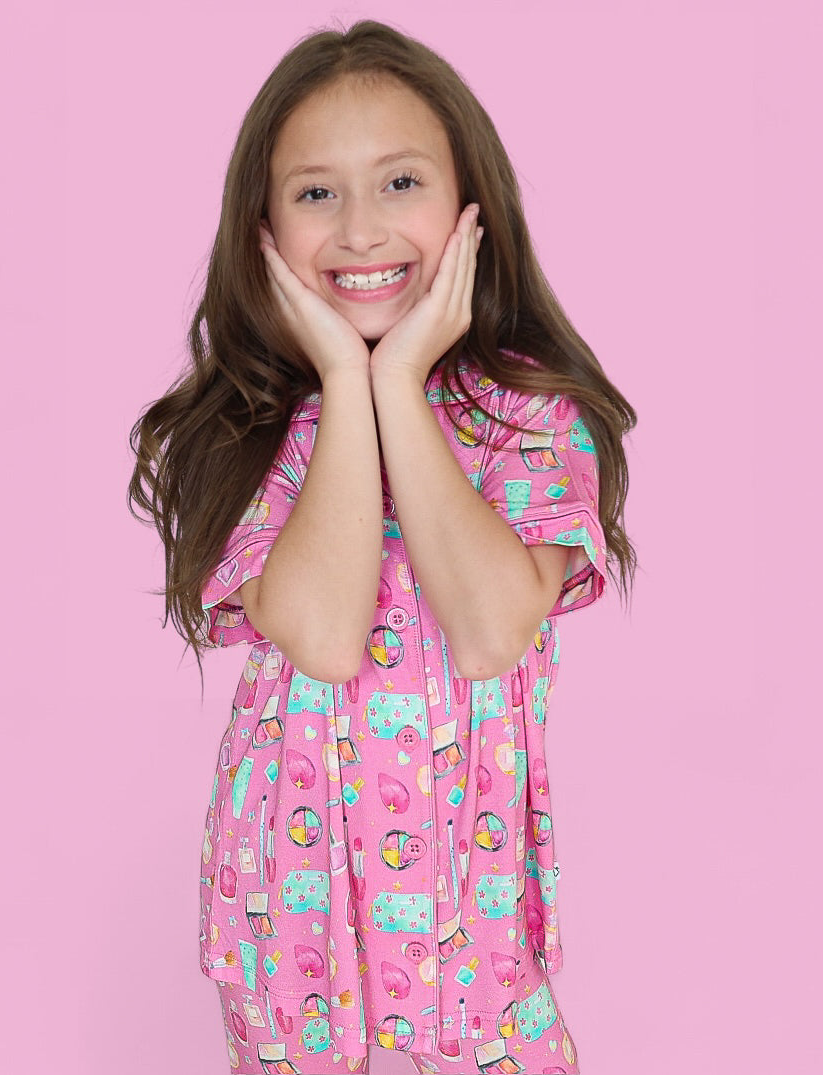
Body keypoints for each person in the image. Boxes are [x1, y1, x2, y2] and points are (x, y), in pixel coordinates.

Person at [129, 19, 636, 1075]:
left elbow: (491, 630)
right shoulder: (245, 432)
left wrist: (400, 377)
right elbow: (323, 636)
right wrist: (343, 379)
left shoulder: (531, 416)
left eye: (399, 182)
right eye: (316, 192)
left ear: (469, 205)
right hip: (291, 925)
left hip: (475, 922)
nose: (360, 230)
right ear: (263, 230)